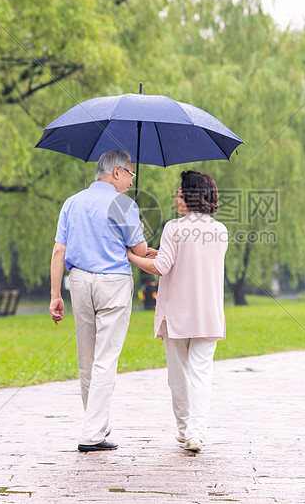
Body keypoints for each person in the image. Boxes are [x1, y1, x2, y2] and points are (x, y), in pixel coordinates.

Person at [49, 150, 153, 453]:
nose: (132, 181)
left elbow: (58, 251)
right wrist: (141, 232)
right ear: (117, 173)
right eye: (131, 174)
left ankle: (97, 426)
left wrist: (56, 295)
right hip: (113, 283)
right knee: (106, 358)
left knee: (87, 358)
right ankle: (92, 433)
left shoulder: (72, 202)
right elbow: (140, 249)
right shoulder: (124, 205)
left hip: (79, 281)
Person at [127, 170, 228, 453]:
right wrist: (162, 252)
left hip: (177, 315)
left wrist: (132, 256)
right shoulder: (221, 230)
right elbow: (196, 262)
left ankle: (185, 430)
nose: (176, 196)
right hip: (208, 313)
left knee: (178, 376)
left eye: (180, 191)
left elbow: (163, 268)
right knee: (201, 373)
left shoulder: (174, 227)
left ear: (190, 196)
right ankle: (196, 432)